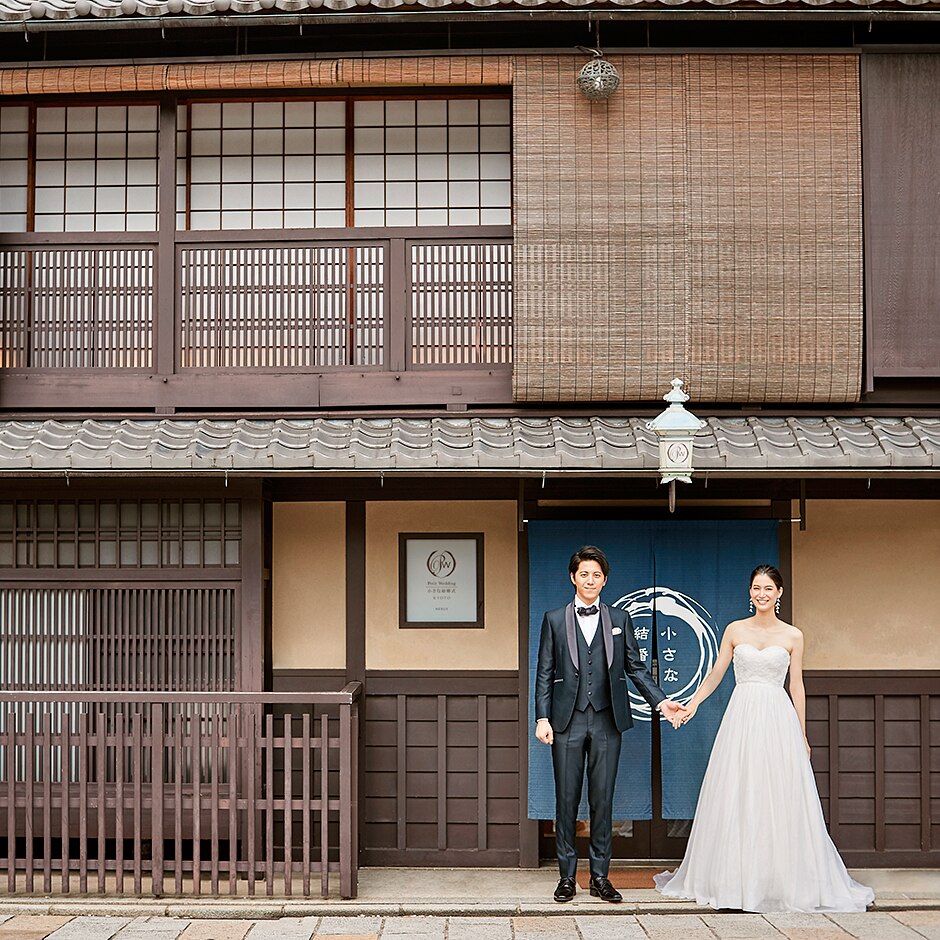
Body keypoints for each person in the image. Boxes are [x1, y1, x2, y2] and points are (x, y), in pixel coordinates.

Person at [655, 564, 874, 913]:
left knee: (779, 793)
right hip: (741, 716)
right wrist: (693, 704)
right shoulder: (734, 630)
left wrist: (801, 733)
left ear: (779, 593)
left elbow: (797, 686)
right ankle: (736, 879)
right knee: (739, 791)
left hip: (777, 716)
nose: (761, 594)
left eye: (768, 588)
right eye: (756, 588)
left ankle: (778, 880)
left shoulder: (793, 636)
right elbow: (715, 674)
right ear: (750, 592)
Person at [535, 545, 686, 903]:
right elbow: (545, 672)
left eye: (597, 574)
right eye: (584, 573)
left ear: (605, 580)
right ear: (573, 577)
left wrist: (661, 701)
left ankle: (600, 877)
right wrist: (542, 717)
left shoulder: (619, 619)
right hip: (566, 722)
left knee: (603, 801)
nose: (590, 580)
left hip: (607, 720)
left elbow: (634, 666)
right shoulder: (554, 619)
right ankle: (567, 877)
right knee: (566, 800)